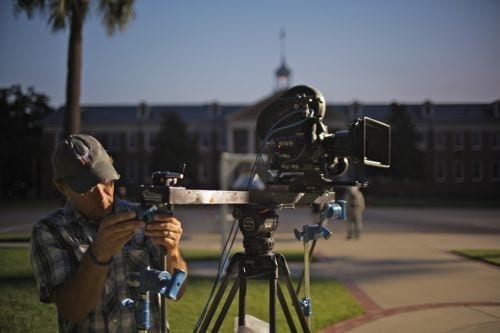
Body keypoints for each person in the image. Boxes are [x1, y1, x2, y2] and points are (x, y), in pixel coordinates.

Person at [30, 134, 188, 332]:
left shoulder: (141, 217)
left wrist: (173, 250)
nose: (101, 194)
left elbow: (176, 291)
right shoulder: (50, 230)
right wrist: (99, 253)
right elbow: (72, 310)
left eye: (105, 180)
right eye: (85, 187)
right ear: (61, 186)